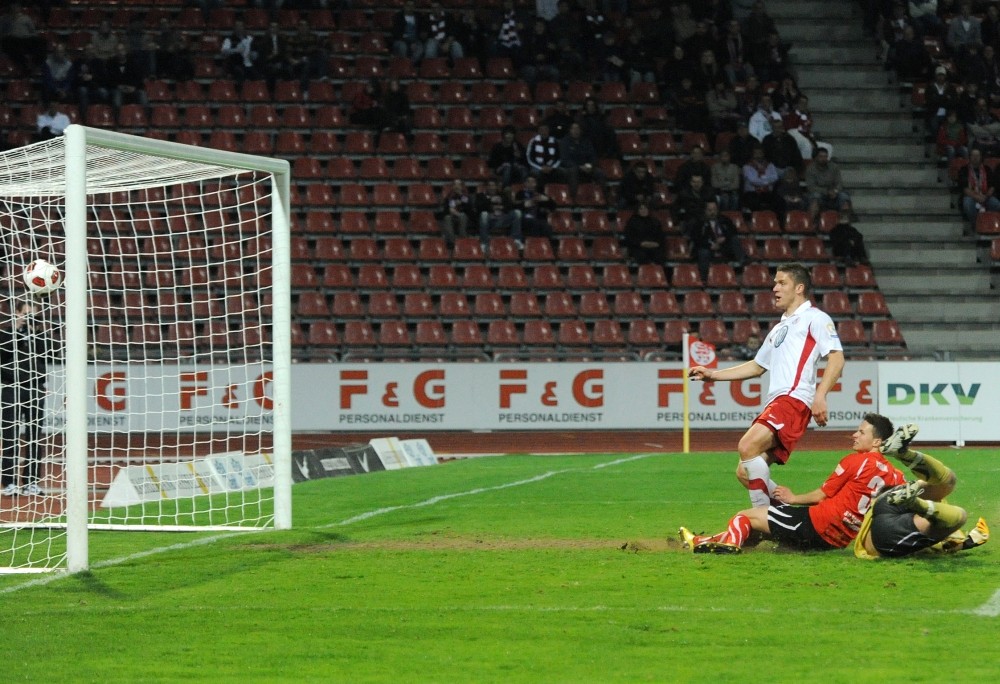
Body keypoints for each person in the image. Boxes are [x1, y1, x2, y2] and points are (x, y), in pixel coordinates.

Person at [689, 262, 845, 507]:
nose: (775, 288)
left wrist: (820, 395)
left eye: (782, 283)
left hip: (793, 399)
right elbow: (757, 366)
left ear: (799, 288)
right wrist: (713, 375)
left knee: (747, 445)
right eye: (775, 283)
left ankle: (763, 519)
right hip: (778, 402)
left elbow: (836, 357)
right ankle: (787, 517)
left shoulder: (815, 318)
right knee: (744, 472)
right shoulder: (779, 328)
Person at [679, 414, 906, 554]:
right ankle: (699, 541)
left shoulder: (857, 461)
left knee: (744, 517)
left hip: (814, 525)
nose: (854, 435)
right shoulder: (896, 477)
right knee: (758, 529)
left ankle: (731, 547)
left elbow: (821, 495)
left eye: (861, 432)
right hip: (836, 541)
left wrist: (793, 498)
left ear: (877, 441)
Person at [854, 423, 990, 559]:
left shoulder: (937, 506)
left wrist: (969, 541)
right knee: (957, 510)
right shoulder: (939, 512)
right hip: (884, 535)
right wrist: (968, 542)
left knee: (951, 487)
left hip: (884, 504)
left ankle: (904, 454)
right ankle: (913, 498)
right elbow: (948, 545)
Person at [0, 300, 50, 497]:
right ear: (17, 313)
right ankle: (9, 482)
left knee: (35, 437)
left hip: (35, 388)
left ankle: (31, 481)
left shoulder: (39, 335)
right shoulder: (5, 333)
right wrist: (17, 329)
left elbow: (49, 353)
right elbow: (3, 352)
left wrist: (34, 331)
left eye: (33, 314)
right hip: (11, 388)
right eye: (26, 314)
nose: (29, 317)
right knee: (10, 436)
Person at [687, 199, 746, 282]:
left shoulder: (725, 220)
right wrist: (710, 245)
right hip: (707, 247)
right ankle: (704, 280)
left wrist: (725, 238)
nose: (712, 212)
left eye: (714, 209)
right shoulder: (699, 223)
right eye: (710, 210)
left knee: (735, 240)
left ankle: (744, 264)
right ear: (705, 211)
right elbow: (696, 239)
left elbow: (733, 232)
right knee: (703, 253)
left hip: (723, 246)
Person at [558, 122, 606, 200]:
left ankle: (603, 197)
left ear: (580, 130)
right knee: (573, 171)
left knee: (600, 173)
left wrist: (590, 166)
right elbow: (565, 160)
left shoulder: (586, 142)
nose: (575, 131)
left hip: (587, 167)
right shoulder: (565, 142)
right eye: (573, 129)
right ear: (570, 130)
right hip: (572, 168)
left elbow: (593, 156)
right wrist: (579, 167)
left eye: (577, 129)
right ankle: (573, 198)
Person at [476, 179, 523, 250]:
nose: (491, 188)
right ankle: (484, 242)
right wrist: (490, 201)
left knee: (517, 212)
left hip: (503, 219)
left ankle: (516, 240)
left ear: (496, 187)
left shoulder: (502, 195)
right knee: (484, 214)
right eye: (489, 186)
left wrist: (502, 207)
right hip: (490, 220)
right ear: (486, 187)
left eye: (493, 186)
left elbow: (510, 206)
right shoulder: (481, 196)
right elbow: (479, 209)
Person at [804, 147, 852, 217]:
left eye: (825, 156)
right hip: (819, 194)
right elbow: (811, 187)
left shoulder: (834, 167)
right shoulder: (810, 169)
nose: (824, 159)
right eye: (821, 157)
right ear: (816, 158)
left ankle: (844, 219)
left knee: (844, 197)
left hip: (834, 194)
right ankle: (812, 220)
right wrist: (826, 191)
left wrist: (835, 191)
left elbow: (839, 183)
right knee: (815, 197)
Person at [956, 148, 1000, 221]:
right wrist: (977, 197)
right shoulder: (964, 169)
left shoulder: (987, 169)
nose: (975, 158)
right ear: (970, 157)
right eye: (973, 155)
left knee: (996, 204)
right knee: (967, 204)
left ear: (981, 157)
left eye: (977, 155)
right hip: (971, 196)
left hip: (986, 196)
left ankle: (989, 223)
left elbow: (992, 186)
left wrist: (986, 196)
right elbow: (964, 188)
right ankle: (975, 224)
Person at [514, 175, 555, 240]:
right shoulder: (520, 194)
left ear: (536, 184)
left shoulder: (539, 194)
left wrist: (547, 200)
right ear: (525, 183)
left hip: (538, 218)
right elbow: (515, 206)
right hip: (524, 219)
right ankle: (534, 243)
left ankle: (547, 244)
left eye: (533, 182)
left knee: (546, 226)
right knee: (535, 224)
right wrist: (524, 204)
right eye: (529, 182)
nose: (531, 184)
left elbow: (553, 207)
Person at [440, 179, 474, 245]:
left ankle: (462, 239)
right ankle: (452, 242)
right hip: (452, 217)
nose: (457, 186)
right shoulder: (449, 196)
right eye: (455, 184)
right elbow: (445, 211)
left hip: (464, 217)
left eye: (458, 184)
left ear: (462, 186)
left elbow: (470, 210)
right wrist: (450, 210)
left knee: (462, 215)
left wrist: (461, 196)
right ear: (453, 186)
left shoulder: (466, 196)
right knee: (447, 217)